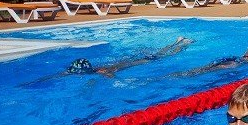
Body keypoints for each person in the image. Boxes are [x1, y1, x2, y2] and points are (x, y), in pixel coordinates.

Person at [60, 37, 192, 78]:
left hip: (142, 61)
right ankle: (177, 41)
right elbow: (66, 73)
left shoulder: (103, 70)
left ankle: (183, 44)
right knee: (160, 52)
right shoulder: (98, 68)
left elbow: (111, 76)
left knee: (167, 54)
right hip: (135, 59)